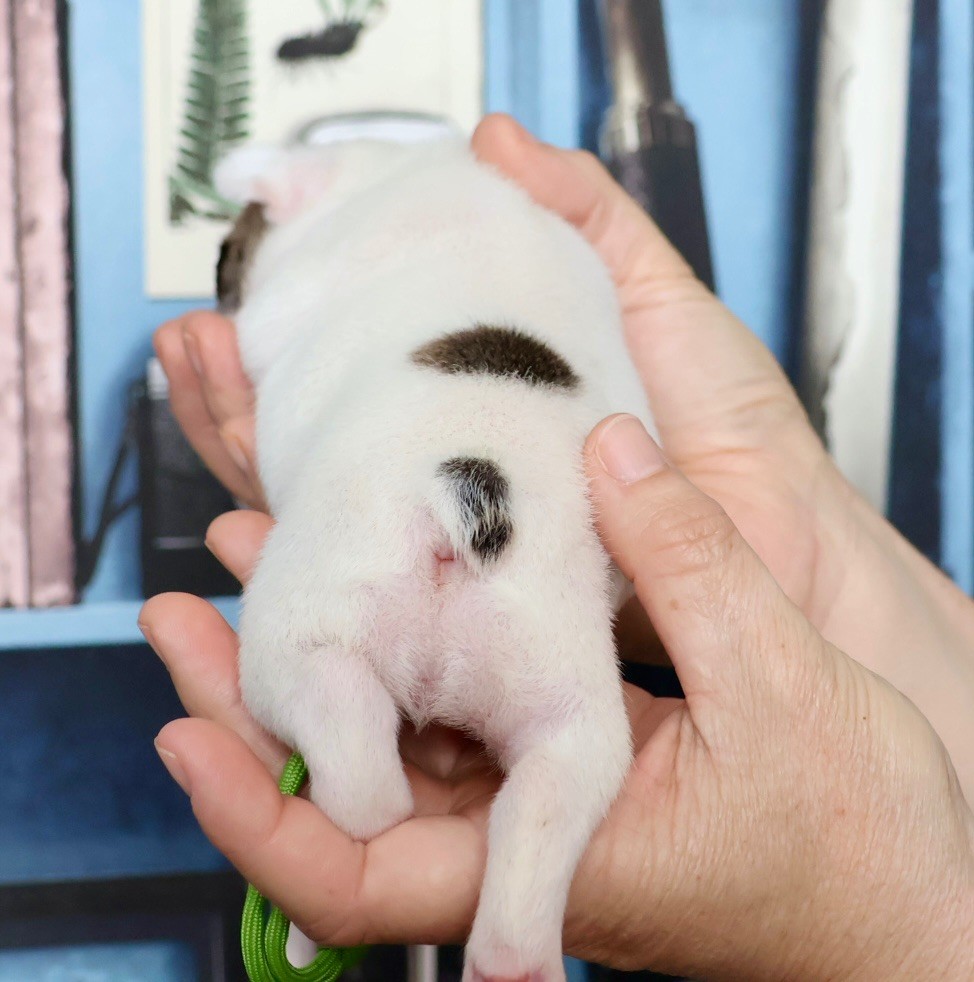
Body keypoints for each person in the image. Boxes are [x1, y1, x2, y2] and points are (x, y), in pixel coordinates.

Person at [142, 115, 974, 979]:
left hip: (389, 475)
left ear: (284, 192)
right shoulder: (549, 233)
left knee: (297, 643)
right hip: (551, 514)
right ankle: (518, 929)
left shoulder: (321, 223)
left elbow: (262, 333)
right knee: (575, 738)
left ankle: (353, 773)